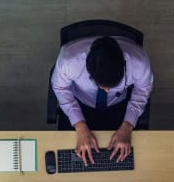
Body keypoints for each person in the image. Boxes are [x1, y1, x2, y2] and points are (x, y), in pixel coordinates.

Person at [51, 36, 153, 166]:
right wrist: (80, 126)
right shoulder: (69, 60)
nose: (107, 90)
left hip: (118, 104)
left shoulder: (139, 62)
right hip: (79, 103)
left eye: (113, 85)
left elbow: (142, 90)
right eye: (102, 86)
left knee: (129, 156)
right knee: (69, 155)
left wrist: (127, 126)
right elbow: (60, 87)